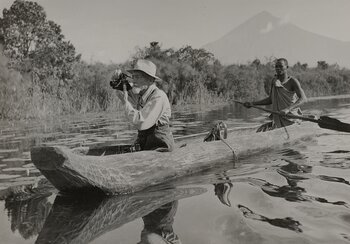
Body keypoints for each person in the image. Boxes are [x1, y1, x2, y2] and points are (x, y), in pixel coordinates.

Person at [112, 59, 175, 151]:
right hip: (146, 144)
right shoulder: (141, 93)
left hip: (161, 146)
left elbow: (141, 123)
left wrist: (125, 102)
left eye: (138, 77)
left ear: (150, 80)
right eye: (133, 77)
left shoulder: (158, 97)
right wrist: (116, 79)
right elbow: (122, 90)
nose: (134, 81)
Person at [244, 58, 307, 132]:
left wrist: (287, 109)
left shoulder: (292, 81)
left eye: (281, 66)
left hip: (291, 119)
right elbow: (270, 99)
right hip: (278, 119)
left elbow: (303, 99)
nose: (278, 68)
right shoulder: (274, 81)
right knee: (259, 131)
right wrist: (252, 104)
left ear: (286, 67)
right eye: (276, 66)